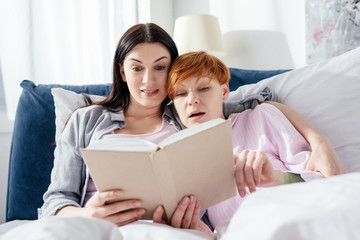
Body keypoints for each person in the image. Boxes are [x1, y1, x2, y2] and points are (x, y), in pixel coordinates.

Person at [39, 23, 343, 231]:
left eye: (160, 67)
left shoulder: (185, 115)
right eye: (136, 68)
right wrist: (88, 214)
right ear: (122, 70)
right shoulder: (87, 120)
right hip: (93, 226)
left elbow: (258, 98)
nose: (149, 81)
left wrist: (319, 142)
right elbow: (55, 200)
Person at [166, 51, 343, 231]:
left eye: (203, 88)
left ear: (224, 91)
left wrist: (276, 178)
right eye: (180, 94)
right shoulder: (185, 164)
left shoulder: (261, 117)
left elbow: (324, 182)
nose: (192, 100)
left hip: (300, 223)